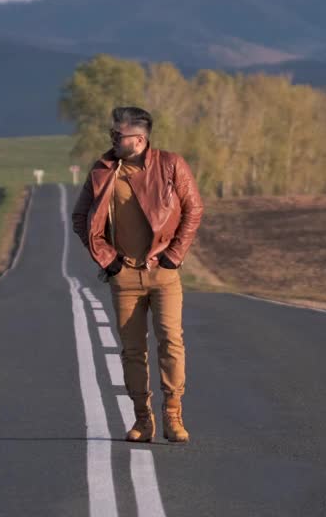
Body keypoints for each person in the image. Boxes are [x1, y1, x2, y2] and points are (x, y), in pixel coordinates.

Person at [71, 106, 204, 444]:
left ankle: (173, 415)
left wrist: (173, 256)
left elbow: (193, 209)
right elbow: (81, 218)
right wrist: (108, 260)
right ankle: (142, 420)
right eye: (112, 134)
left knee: (171, 342)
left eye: (119, 136)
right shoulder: (103, 171)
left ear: (140, 139)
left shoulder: (171, 164)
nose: (112, 140)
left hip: (164, 274)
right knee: (132, 351)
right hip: (124, 277)